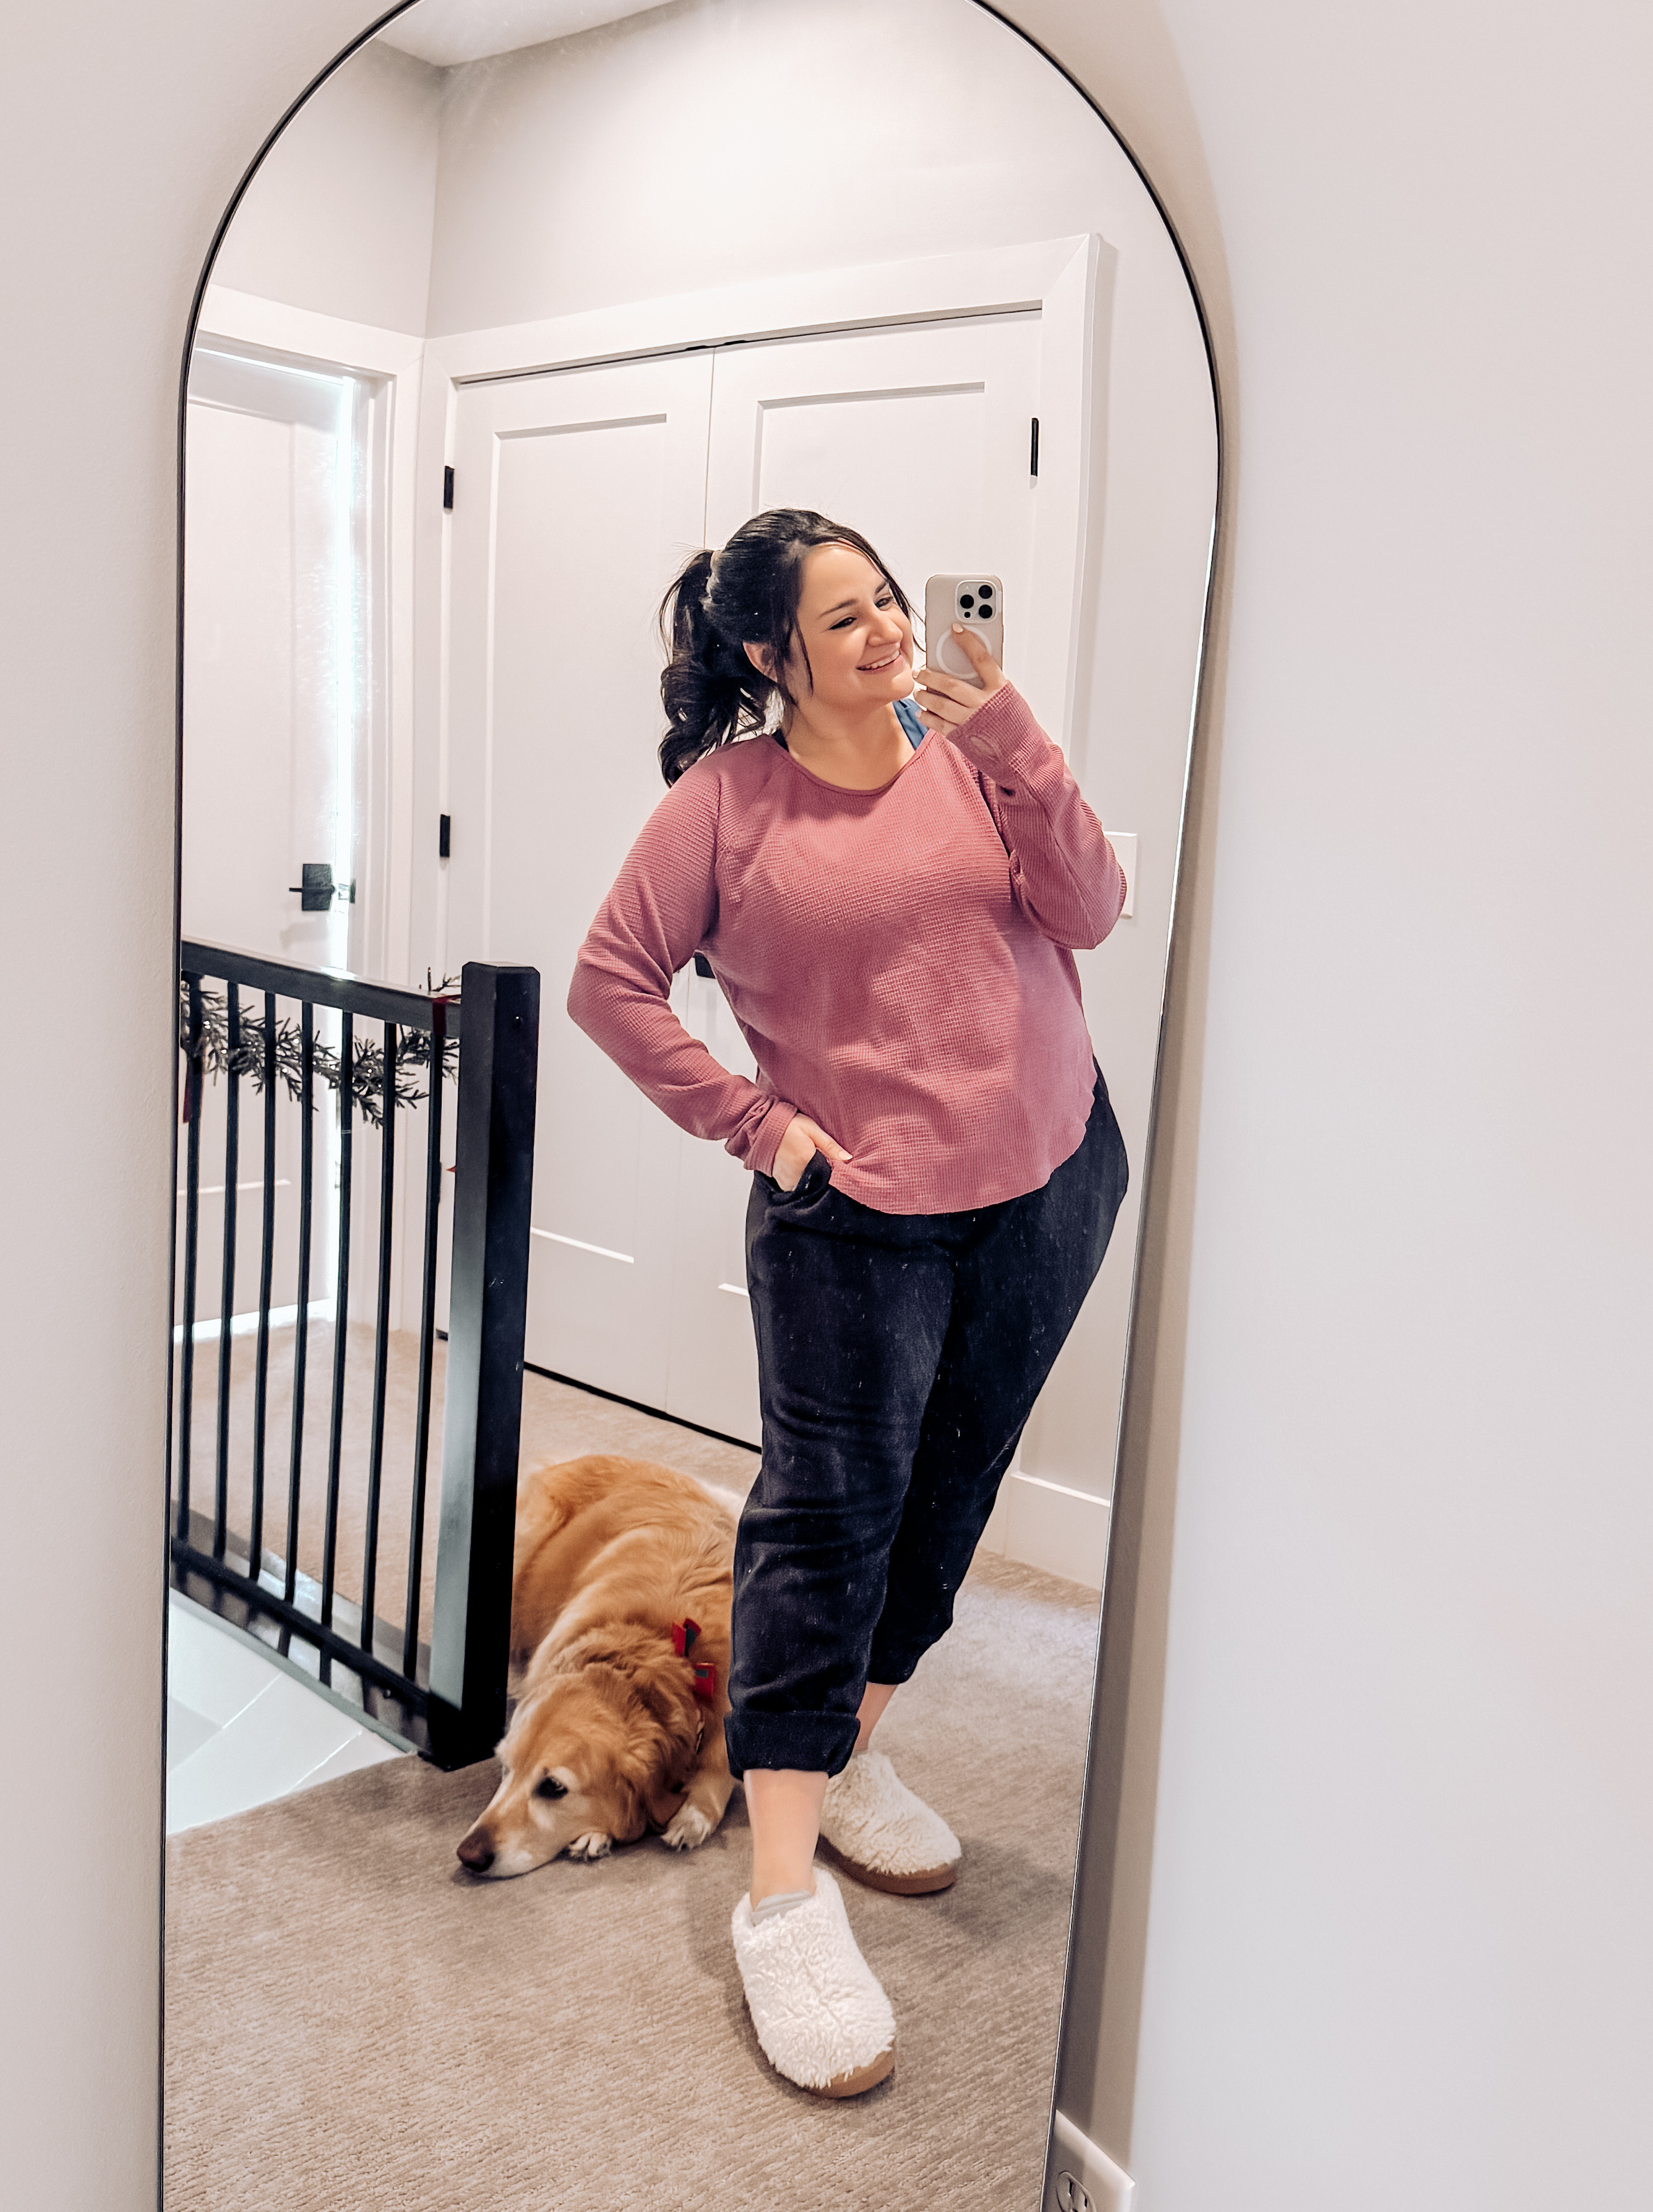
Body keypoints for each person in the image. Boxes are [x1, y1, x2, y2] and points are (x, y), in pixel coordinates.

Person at [568, 508, 1128, 2096]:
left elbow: (1088, 913)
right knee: (826, 1517)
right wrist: (755, 1121)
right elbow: (612, 978)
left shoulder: (971, 743)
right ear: (769, 656)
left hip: (1050, 1175)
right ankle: (780, 1894)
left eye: (891, 602)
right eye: (848, 622)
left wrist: (1007, 726)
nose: (890, 635)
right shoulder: (723, 806)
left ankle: (844, 1751)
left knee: (951, 1488)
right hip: (854, 1217)